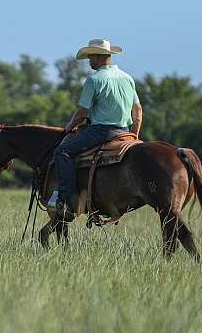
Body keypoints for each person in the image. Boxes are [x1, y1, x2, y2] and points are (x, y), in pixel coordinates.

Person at [54, 38, 143, 219]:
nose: (89, 61)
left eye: (90, 57)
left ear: (97, 56)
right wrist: (133, 135)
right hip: (124, 132)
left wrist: (70, 126)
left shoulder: (94, 80)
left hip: (102, 131)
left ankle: (66, 201)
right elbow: (138, 111)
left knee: (62, 152)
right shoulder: (127, 78)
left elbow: (82, 112)